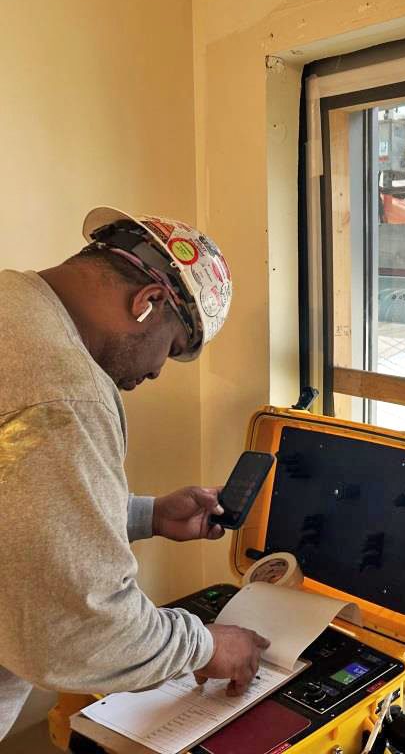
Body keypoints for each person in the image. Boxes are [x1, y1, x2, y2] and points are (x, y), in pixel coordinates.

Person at [0, 207, 269, 741]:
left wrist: (145, 514)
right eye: (170, 350)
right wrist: (211, 646)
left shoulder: (14, 302)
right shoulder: (64, 391)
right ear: (147, 304)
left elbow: (17, 512)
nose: (155, 372)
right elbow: (77, 628)